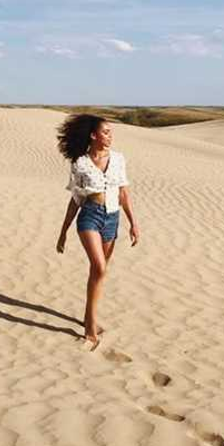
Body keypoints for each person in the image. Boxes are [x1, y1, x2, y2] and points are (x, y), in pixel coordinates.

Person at [54, 114, 140, 352]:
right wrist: (63, 232)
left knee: (98, 274)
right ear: (94, 135)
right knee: (99, 267)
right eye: (106, 132)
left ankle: (88, 316)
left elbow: (123, 194)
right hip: (89, 217)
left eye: (111, 132)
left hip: (112, 219)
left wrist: (133, 223)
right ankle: (90, 329)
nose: (110, 136)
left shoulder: (119, 159)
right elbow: (75, 200)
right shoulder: (80, 163)